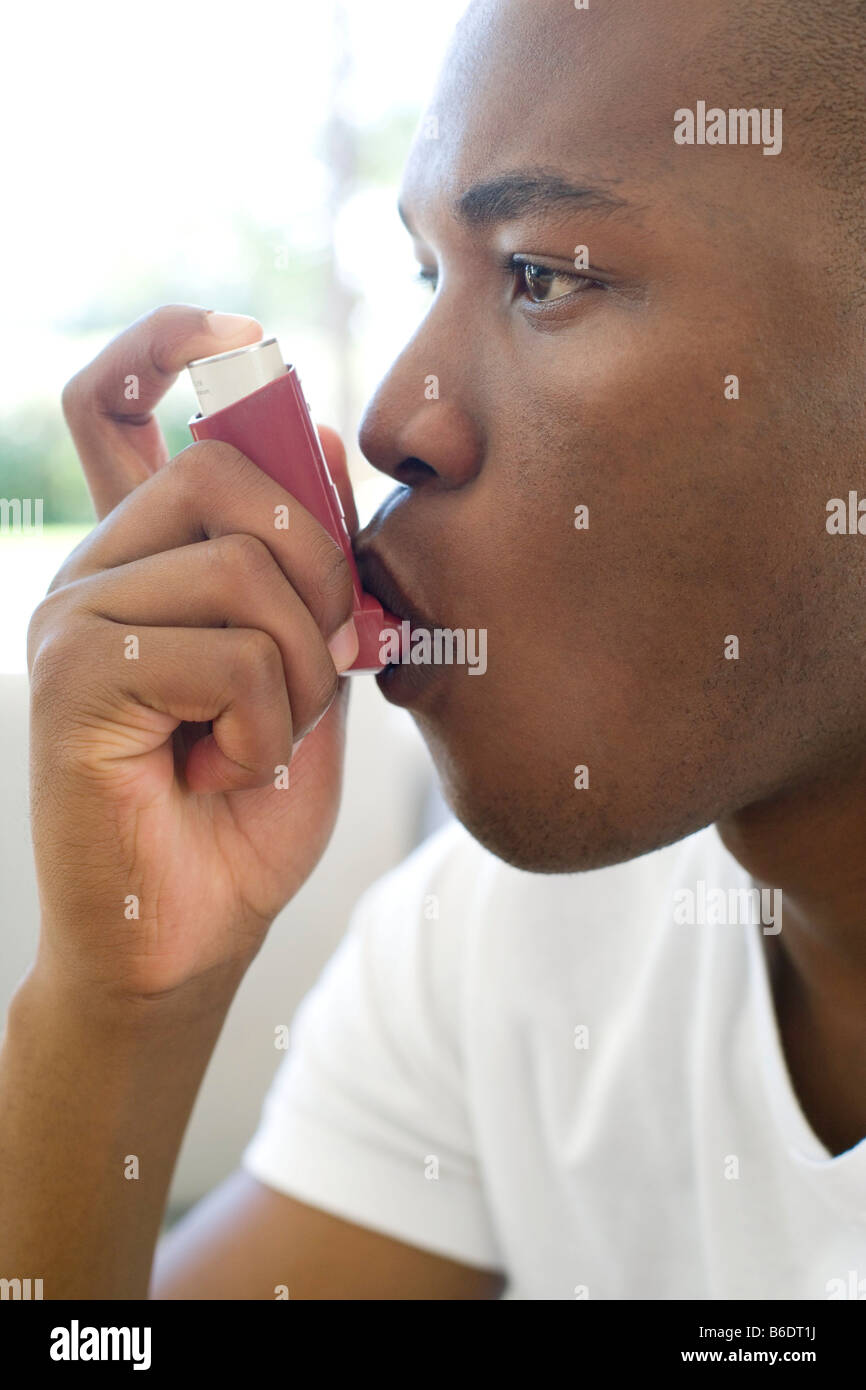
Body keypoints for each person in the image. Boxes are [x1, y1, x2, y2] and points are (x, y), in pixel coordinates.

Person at [2, 0, 865, 1300]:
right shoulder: (504, 939)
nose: (394, 418)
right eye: (426, 271)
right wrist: (120, 1007)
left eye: (544, 274)